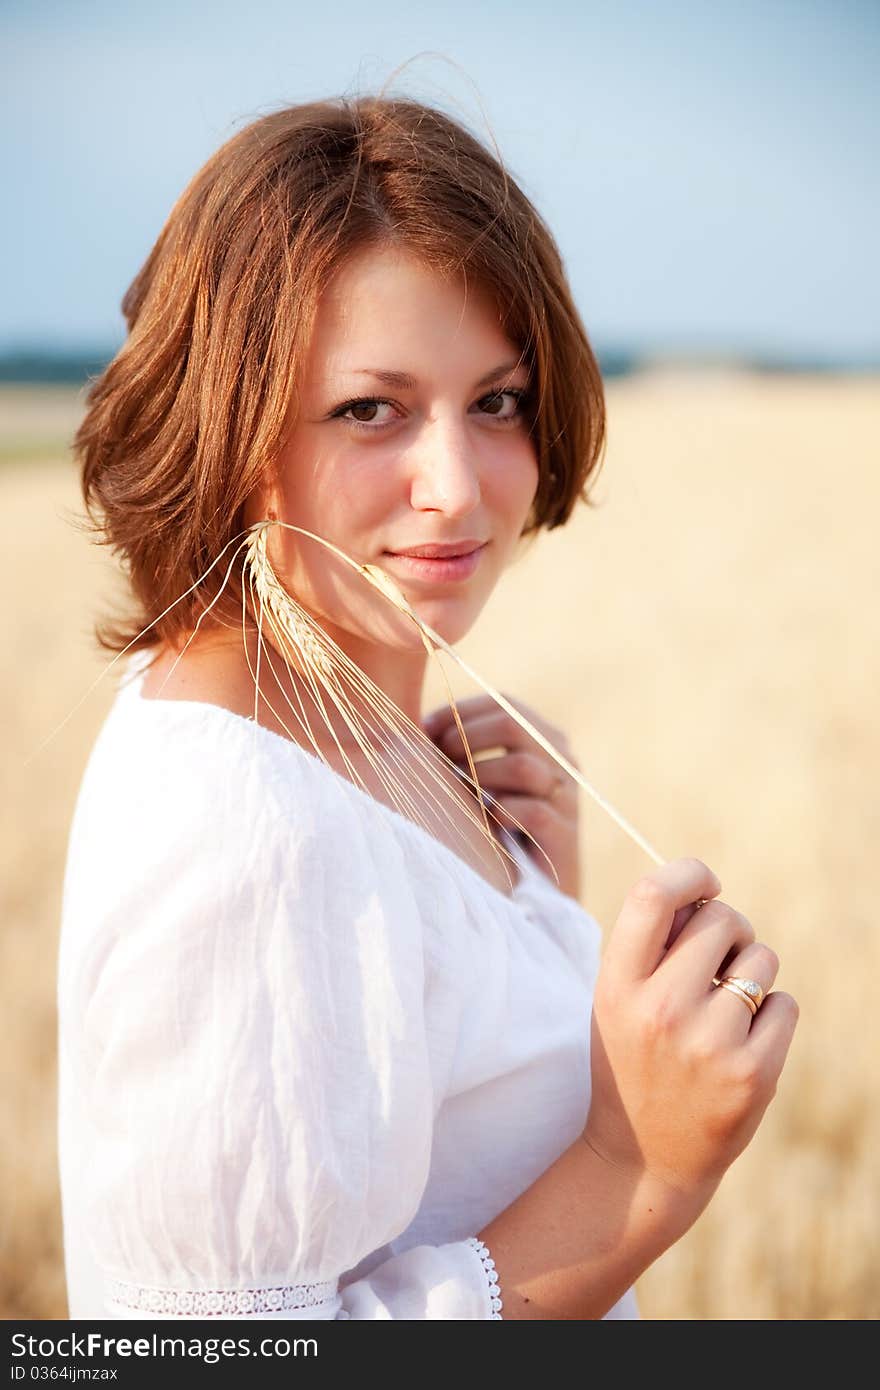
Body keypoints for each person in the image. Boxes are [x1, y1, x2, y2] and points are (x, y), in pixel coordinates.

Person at [57, 94, 798, 1321]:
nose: (456, 489)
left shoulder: (351, 729)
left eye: (497, 401)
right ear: (226, 424)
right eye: (369, 409)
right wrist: (639, 1171)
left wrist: (520, 913)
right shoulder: (241, 828)